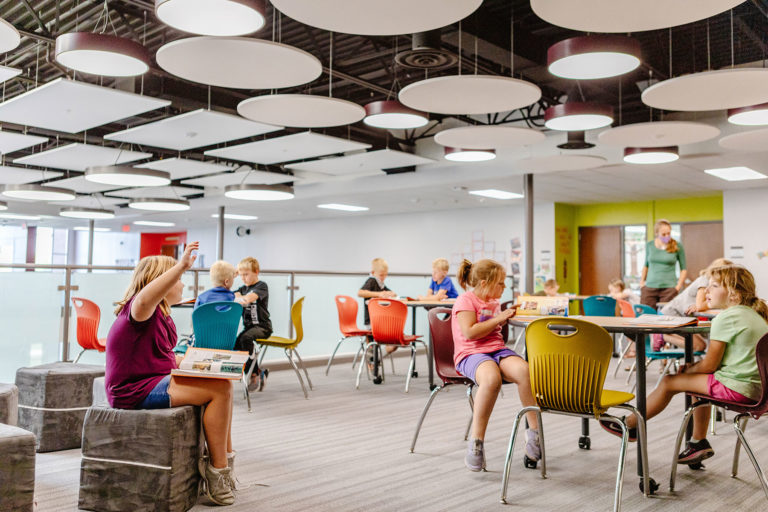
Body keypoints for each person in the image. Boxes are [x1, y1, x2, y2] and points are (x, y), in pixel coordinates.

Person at [105, 242, 236, 506]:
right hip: (133, 390)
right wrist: (181, 265)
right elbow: (144, 297)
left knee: (223, 383)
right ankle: (217, 473)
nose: (183, 285)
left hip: (153, 380)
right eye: (178, 279)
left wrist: (204, 362)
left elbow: (164, 357)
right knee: (220, 390)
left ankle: (224, 464)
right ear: (161, 282)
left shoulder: (162, 316)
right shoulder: (140, 309)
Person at [601, 264, 768, 466]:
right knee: (691, 381)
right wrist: (692, 372)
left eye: (714, 286)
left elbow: (709, 365)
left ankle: (629, 425)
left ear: (733, 294)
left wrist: (689, 370)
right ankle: (698, 442)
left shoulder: (726, 318)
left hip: (738, 388)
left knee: (671, 381)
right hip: (758, 390)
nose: (706, 290)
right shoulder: (755, 315)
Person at [452, 258, 540, 471]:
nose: (504, 287)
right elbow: (470, 332)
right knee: (491, 380)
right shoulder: (465, 300)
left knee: (525, 371)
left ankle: (535, 435)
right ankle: (476, 442)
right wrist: (499, 318)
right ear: (484, 283)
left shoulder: (492, 301)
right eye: (500, 283)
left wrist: (512, 314)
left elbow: (494, 329)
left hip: (497, 351)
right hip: (470, 353)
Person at [655, 258, 733, 351]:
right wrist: (707, 305)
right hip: (671, 316)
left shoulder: (713, 283)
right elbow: (700, 305)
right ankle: (661, 335)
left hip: (682, 318)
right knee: (699, 346)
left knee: (702, 344)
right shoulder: (705, 280)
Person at [234, 256, 272, 392]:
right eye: (241, 275)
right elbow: (234, 296)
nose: (243, 278)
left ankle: (254, 375)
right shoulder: (241, 288)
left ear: (256, 272)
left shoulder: (261, 286)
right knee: (235, 345)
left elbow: (247, 299)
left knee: (245, 339)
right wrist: (238, 295)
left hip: (263, 327)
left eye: (246, 274)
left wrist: (240, 297)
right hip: (249, 328)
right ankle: (259, 371)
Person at [641, 219, 687, 309]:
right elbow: (646, 265)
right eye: (663, 234)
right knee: (647, 316)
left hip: (669, 289)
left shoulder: (677, 246)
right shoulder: (649, 245)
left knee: (666, 317)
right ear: (656, 233)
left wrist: (678, 287)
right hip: (650, 287)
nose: (667, 236)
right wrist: (642, 282)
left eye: (669, 233)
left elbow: (683, 269)